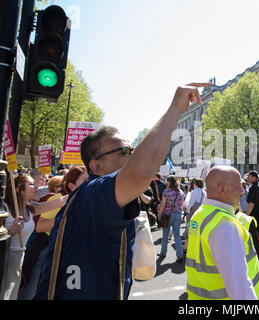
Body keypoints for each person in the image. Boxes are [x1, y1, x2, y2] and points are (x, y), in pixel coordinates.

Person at [33, 82, 209, 300]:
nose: (133, 156)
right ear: (95, 165)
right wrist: (175, 109)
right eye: (125, 151)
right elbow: (140, 172)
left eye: (133, 150)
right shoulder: (92, 194)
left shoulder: (101, 197)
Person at [185, 166, 259, 300]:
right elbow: (239, 287)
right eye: (238, 186)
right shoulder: (225, 225)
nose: (242, 191)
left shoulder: (200, 213)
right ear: (222, 189)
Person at [18, 167, 88, 300]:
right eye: (85, 181)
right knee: (31, 289)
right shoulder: (13, 207)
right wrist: (64, 219)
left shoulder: (34, 206)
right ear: (71, 185)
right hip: (44, 249)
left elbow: (58, 202)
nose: (37, 186)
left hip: (64, 251)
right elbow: (40, 226)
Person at [1, 174, 37, 300]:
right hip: (6, 259)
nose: (36, 186)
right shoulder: (4, 209)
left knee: (12, 293)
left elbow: (57, 202)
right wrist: (11, 231)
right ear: (19, 189)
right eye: (31, 184)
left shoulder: (30, 209)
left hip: (19, 259)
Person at [157, 175, 184, 263]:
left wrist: (159, 214)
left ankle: (163, 253)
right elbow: (182, 205)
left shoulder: (166, 191)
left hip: (168, 215)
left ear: (169, 182)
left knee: (165, 234)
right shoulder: (180, 192)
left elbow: (163, 205)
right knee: (177, 234)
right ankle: (179, 254)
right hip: (178, 214)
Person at [182, 178, 206, 252]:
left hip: (193, 212)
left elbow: (191, 203)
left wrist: (187, 209)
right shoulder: (204, 192)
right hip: (201, 212)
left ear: (196, 184)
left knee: (189, 227)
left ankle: (186, 246)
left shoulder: (194, 191)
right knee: (196, 228)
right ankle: (194, 246)